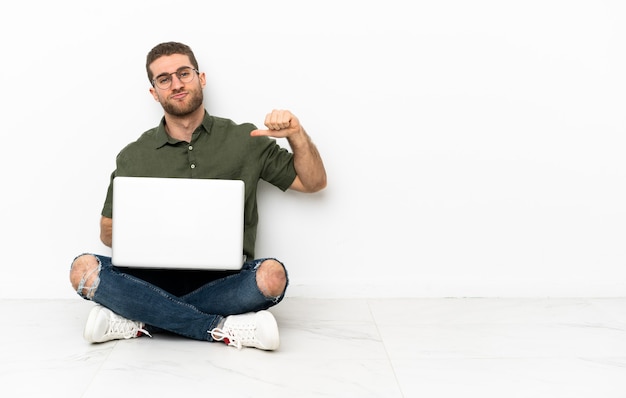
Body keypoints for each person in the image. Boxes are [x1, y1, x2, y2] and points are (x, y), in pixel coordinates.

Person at [69, 41, 327, 351]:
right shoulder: (134, 155)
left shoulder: (245, 140)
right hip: (150, 279)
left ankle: (140, 318)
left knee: (272, 277)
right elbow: (107, 232)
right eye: (164, 79)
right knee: (83, 270)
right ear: (154, 92)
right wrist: (158, 228)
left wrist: (296, 135)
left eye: (184, 73)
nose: (176, 84)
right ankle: (220, 328)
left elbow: (313, 182)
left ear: (200, 78)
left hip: (224, 282)